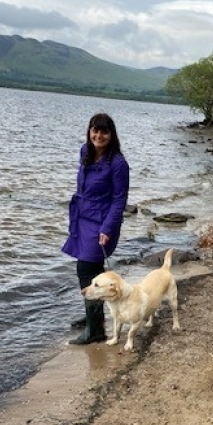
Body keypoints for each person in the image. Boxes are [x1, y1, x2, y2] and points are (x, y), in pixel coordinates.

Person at [62, 113, 130, 344]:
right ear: (89, 131)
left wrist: (108, 227)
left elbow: (120, 199)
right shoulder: (85, 152)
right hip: (82, 217)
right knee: (91, 269)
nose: (98, 135)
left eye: (104, 132)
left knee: (86, 268)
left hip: (101, 221)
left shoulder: (118, 164)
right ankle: (94, 315)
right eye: (95, 130)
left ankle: (96, 330)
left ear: (111, 135)